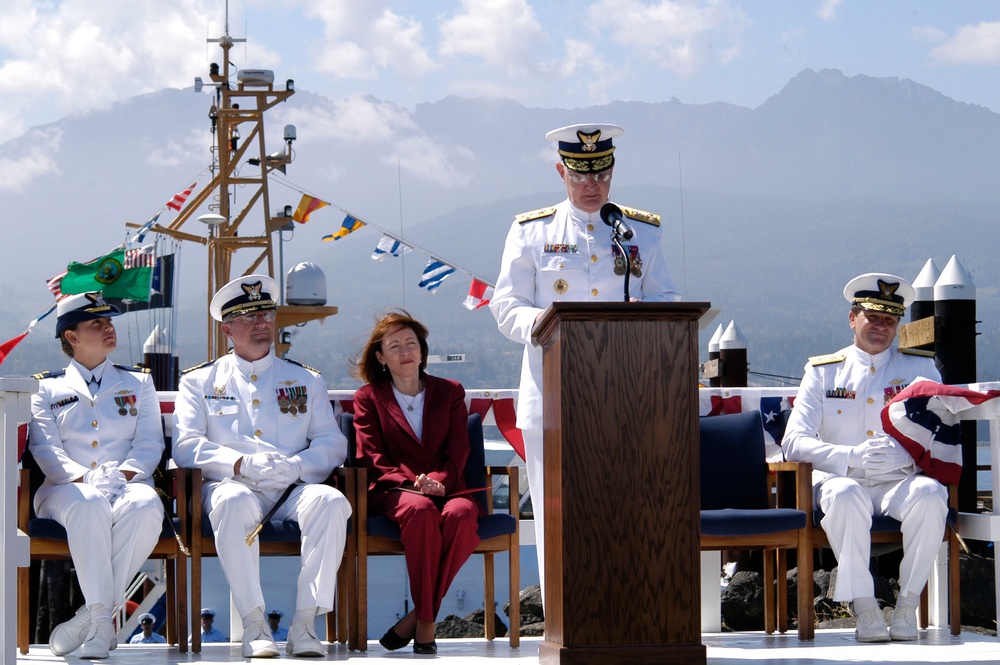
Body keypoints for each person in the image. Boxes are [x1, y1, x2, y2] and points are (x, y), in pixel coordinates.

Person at [489, 123, 681, 597]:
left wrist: (643, 317)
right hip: (552, 396)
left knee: (624, 509)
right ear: (561, 172)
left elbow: (668, 300)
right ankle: (560, 618)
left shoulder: (639, 231)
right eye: (580, 175)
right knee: (557, 514)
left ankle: (624, 611)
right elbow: (505, 305)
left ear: (613, 171)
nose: (592, 185)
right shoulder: (531, 230)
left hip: (625, 397)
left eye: (601, 174)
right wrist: (549, 326)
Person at [173, 274, 351, 658]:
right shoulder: (198, 381)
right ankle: (255, 623)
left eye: (266, 315)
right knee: (233, 501)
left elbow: (333, 442)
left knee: (331, 502)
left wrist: (298, 467)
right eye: (249, 317)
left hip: (291, 486)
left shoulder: (305, 380)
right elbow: (186, 446)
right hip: (230, 485)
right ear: (227, 329)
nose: (261, 324)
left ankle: (305, 623)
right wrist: (239, 463)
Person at [782, 272, 948, 642]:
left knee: (932, 496)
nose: (881, 327)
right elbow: (793, 443)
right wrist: (849, 456)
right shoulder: (824, 372)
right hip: (841, 481)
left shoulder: (919, 370)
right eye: (873, 317)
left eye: (889, 320)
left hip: (896, 481)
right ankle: (866, 607)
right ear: (852, 318)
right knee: (844, 495)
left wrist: (907, 456)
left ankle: (906, 604)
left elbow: (941, 435)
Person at [29, 292, 165, 659]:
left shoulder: (139, 383)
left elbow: (150, 444)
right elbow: (46, 451)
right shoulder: (44, 387)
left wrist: (121, 475)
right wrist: (86, 480)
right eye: (96, 323)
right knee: (89, 503)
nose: (108, 328)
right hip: (63, 491)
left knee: (148, 505)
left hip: (126, 485)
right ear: (71, 337)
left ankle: (94, 620)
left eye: (109, 322)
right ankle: (104, 619)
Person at [351, 310, 481, 655]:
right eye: (395, 346)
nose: (405, 350)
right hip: (393, 491)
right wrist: (414, 484)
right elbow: (371, 457)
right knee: (421, 510)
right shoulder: (368, 397)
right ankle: (426, 625)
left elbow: (458, 450)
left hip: (448, 487)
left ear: (422, 351)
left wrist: (438, 480)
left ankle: (418, 616)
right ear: (381, 357)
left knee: (464, 515)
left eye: (411, 343)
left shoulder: (450, 392)